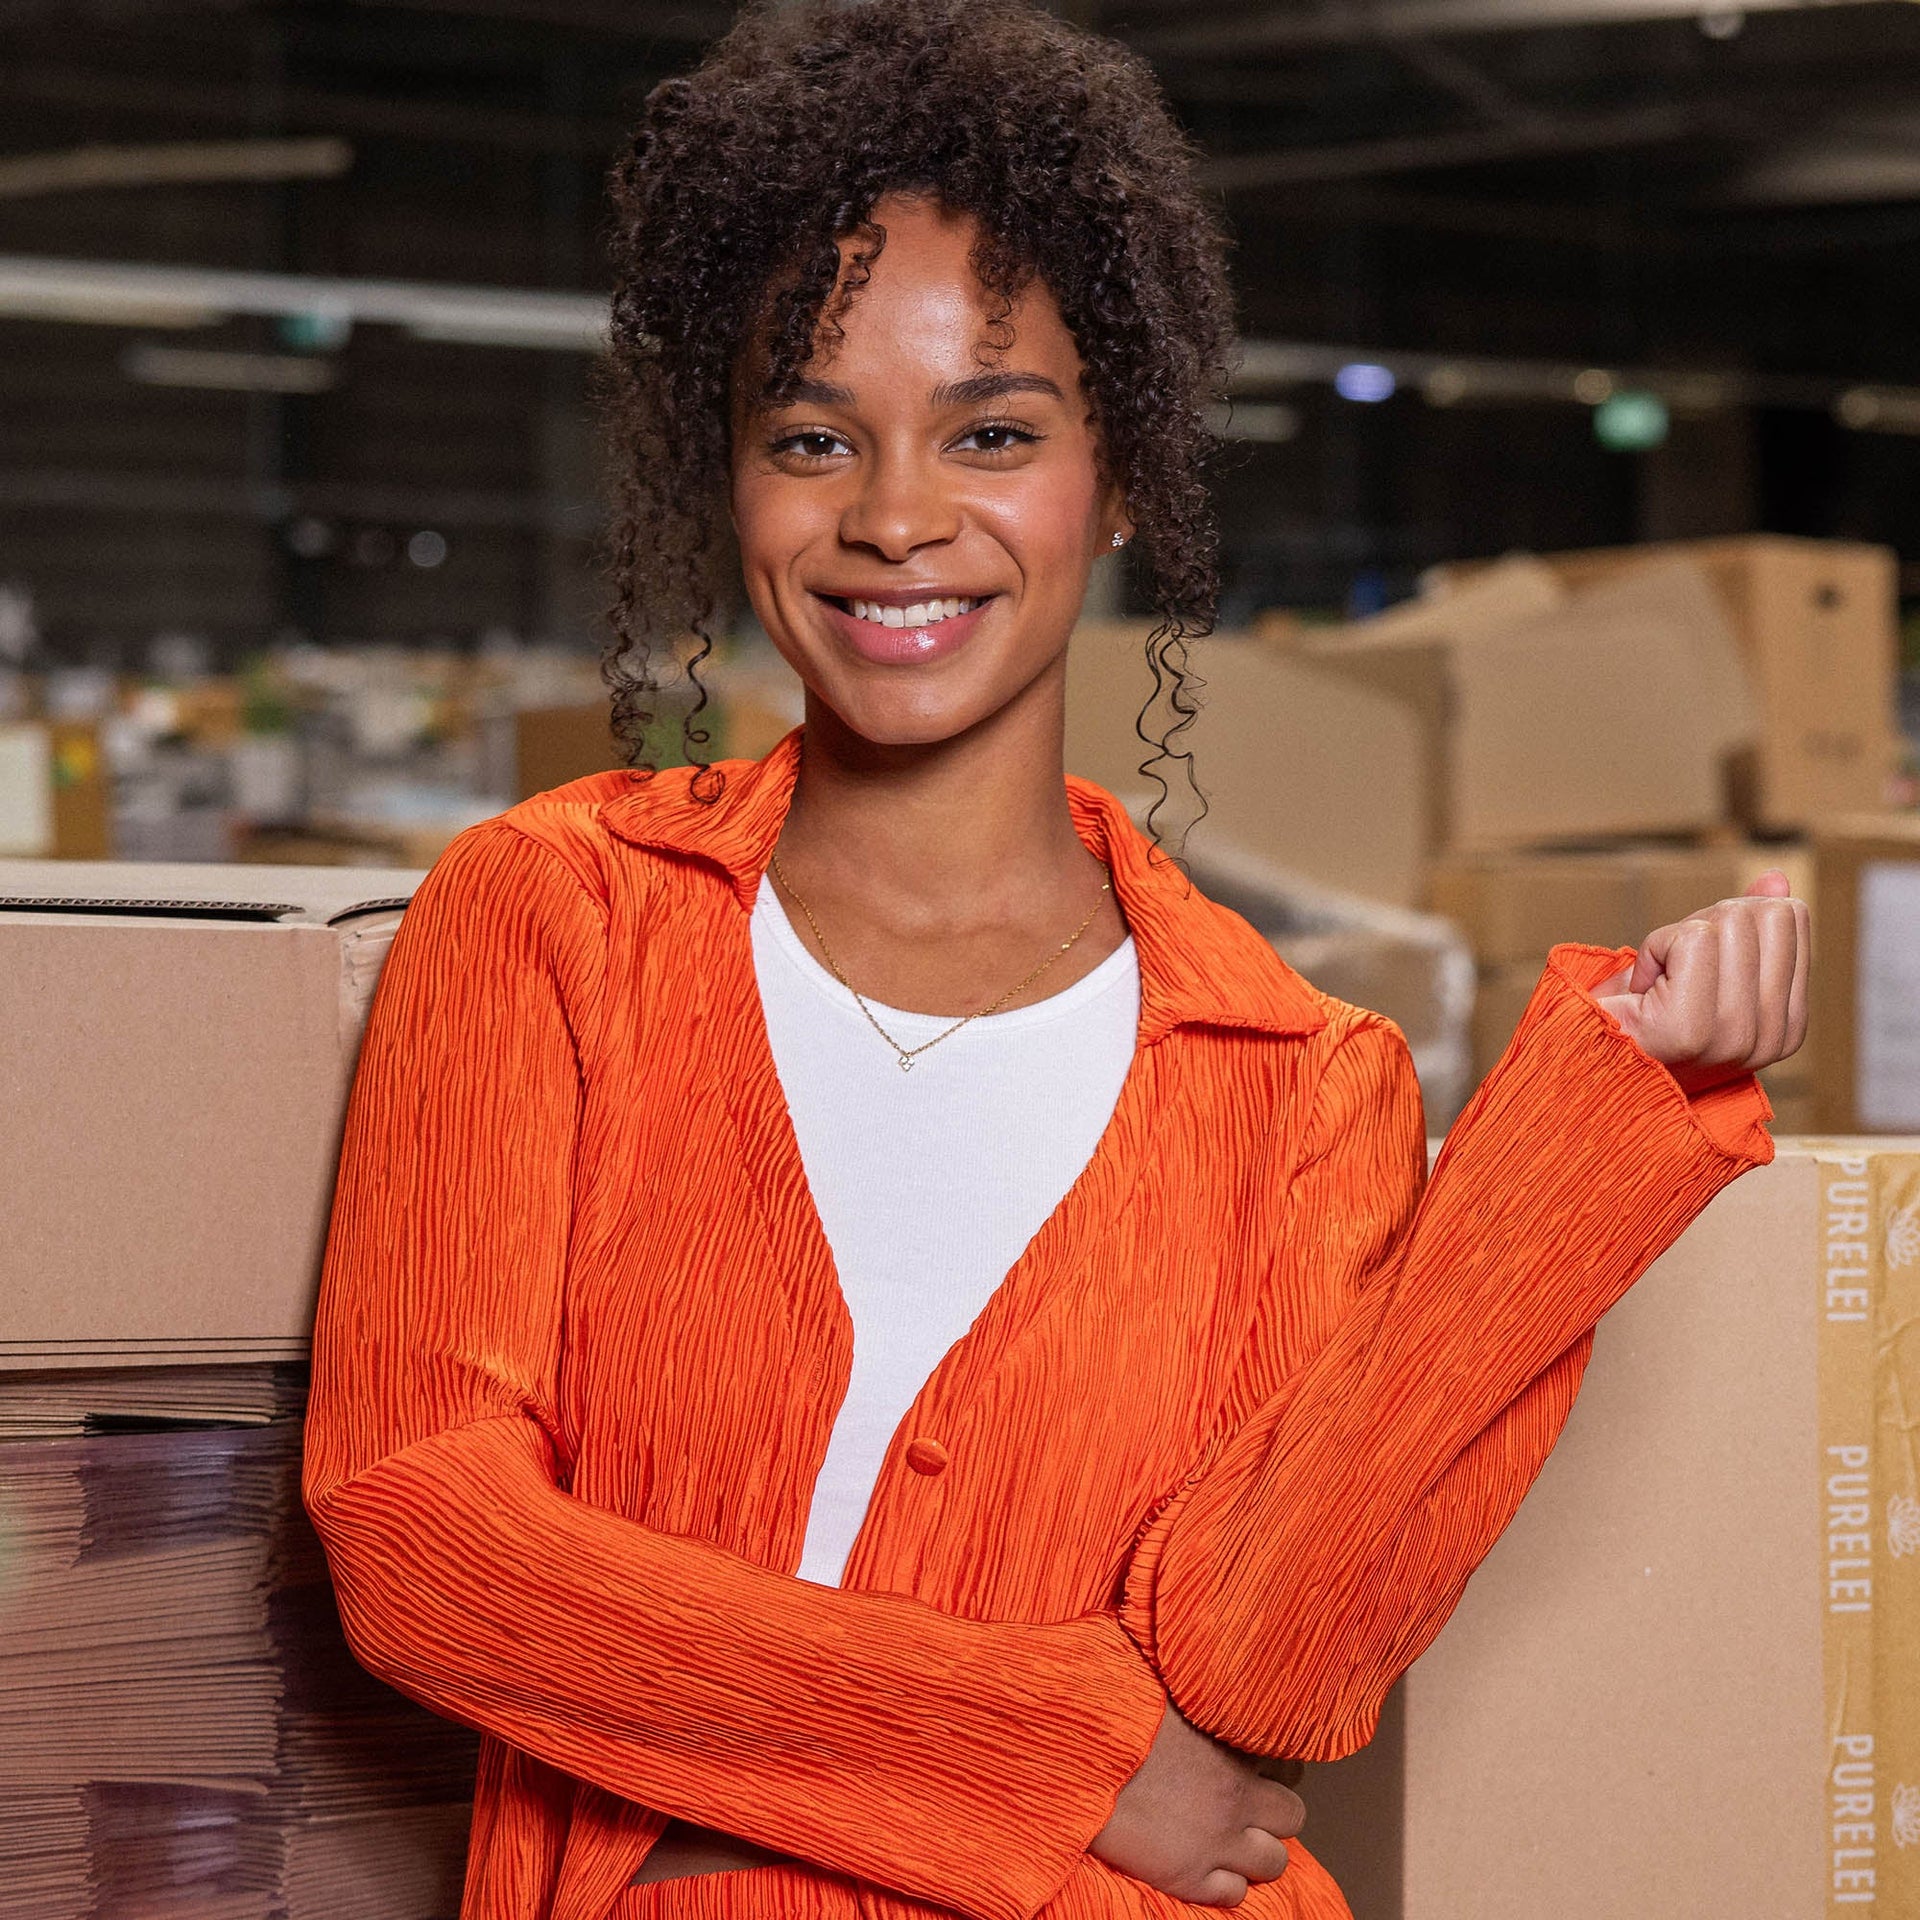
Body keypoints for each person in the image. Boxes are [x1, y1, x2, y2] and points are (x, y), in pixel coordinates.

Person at [301, 4, 1810, 1918]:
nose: (897, 518)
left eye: (994, 432)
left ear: (1121, 481)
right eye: (814, 437)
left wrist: (1604, 1125)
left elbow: (1272, 1671)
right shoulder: (553, 919)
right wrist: (1060, 1751)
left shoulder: (1294, 1072)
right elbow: (423, 1539)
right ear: (735, 482)